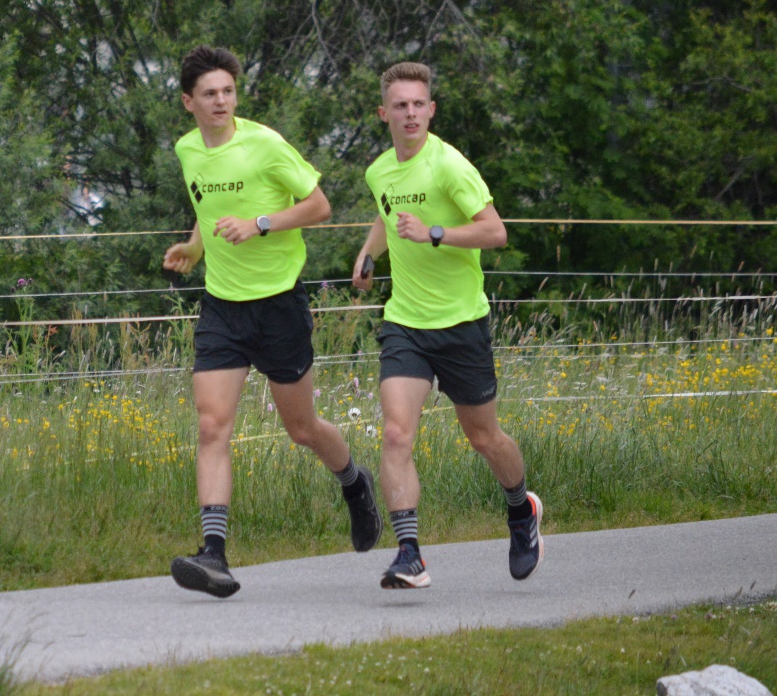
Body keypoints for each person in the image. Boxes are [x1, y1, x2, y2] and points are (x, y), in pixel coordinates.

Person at [163, 45, 382, 598]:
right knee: (213, 425)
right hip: (222, 306)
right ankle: (213, 553)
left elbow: (319, 206)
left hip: (279, 303)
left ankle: (355, 483)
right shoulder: (188, 149)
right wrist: (194, 246)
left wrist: (260, 223)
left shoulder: (264, 144)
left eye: (228, 92)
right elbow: (208, 207)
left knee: (301, 428)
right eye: (209, 94)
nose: (220, 101)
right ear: (188, 101)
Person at [351, 61, 542, 590]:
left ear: (430, 110)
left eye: (419, 104)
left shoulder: (451, 167)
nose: (410, 113)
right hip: (405, 323)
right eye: (400, 105)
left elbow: (495, 232)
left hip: (461, 324)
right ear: (383, 113)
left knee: (483, 437)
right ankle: (409, 555)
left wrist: (434, 233)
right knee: (395, 433)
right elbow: (388, 215)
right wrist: (368, 253)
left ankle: (521, 509)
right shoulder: (379, 171)